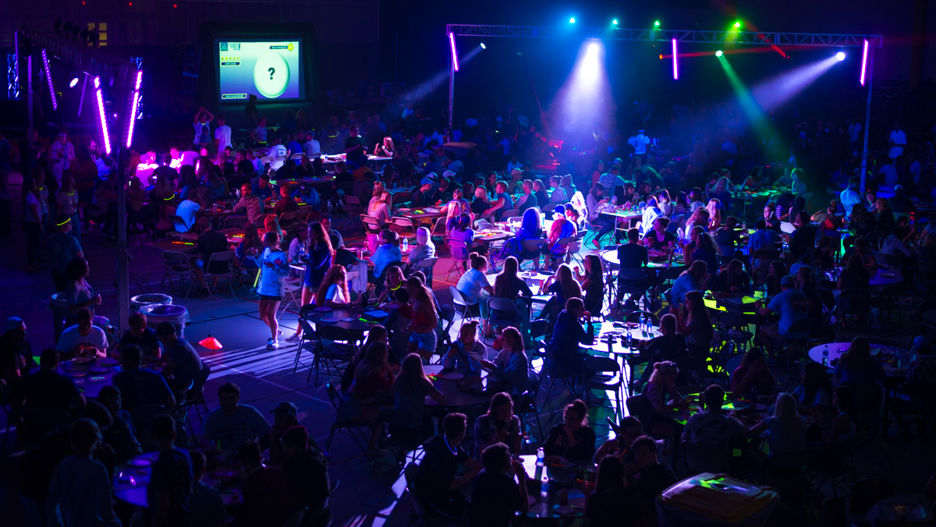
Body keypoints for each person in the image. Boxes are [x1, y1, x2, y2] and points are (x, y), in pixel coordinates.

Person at [45, 418, 120, 527]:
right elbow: (106, 509)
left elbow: (51, 502)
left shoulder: (63, 465)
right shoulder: (98, 469)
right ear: (96, 440)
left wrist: (57, 523)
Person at [413, 413, 480, 516]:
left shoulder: (448, 442)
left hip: (433, 488)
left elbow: (466, 460)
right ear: (461, 432)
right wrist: (471, 474)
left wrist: (481, 466)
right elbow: (449, 486)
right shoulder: (441, 455)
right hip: (432, 498)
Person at [681, 384, 745, 473]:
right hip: (718, 465)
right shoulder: (730, 422)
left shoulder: (695, 418)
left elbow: (684, 439)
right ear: (722, 401)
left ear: (705, 401)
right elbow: (744, 431)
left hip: (694, 463)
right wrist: (736, 417)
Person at [467, 442, 530, 527]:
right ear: (504, 463)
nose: (511, 460)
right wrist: (521, 478)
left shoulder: (481, 476)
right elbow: (524, 508)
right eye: (509, 457)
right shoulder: (506, 483)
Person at [383, 353, 445, 435]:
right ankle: (441, 437)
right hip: (414, 423)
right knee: (440, 410)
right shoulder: (423, 382)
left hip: (397, 422)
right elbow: (441, 400)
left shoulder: (398, 380)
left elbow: (391, 394)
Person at [149, 414, 194, 527]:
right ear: (174, 434)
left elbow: (163, 503)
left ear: (154, 438)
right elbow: (189, 488)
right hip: (184, 516)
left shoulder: (160, 465)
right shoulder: (184, 456)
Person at [281, 425, 331, 525]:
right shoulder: (315, 456)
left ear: (294, 446)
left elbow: (290, 496)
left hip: (307, 517)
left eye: (286, 446)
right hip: (322, 513)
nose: (283, 449)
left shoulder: (298, 467)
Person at [202, 382, 270, 451]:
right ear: (219, 399)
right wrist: (216, 448)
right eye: (223, 399)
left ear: (238, 398)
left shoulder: (250, 413)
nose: (227, 402)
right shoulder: (214, 417)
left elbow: (267, 434)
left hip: (246, 454)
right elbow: (205, 439)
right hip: (223, 456)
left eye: (231, 398)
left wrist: (254, 450)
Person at [112, 345, 176, 411]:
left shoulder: (120, 378)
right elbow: (172, 402)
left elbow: (114, 405)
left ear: (123, 360)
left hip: (131, 419)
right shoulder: (156, 376)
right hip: (154, 417)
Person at [156, 322, 207, 401]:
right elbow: (164, 358)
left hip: (189, 381)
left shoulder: (180, 347)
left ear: (169, 335)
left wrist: (153, 370)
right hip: (182, 376)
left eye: (161, 337)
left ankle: (173, 409)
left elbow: (168, 369)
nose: (160, 340)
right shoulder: (170, 343)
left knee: (160, 388)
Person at [746, 393, 807, 459]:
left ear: (778, 405)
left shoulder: (772, 421)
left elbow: (749, 433)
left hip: (777, 459)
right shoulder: (801, 421)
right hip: (797, 460)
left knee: (749, 449)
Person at [629, 435, 677, 517]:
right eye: (636, 454)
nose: (639, 457)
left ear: (654, 453)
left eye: (643, 453)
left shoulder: (662, 475)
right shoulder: (641, 473)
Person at [756, 275, 810, 346]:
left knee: (762, 329)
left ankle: (771, 355)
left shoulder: (781, 296)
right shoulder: (802, 294)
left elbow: (764, 313)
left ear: (781, 286)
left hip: (789, 333)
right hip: (805, 330)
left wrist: (759, 306)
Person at [258, 231, 289, 350]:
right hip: (264, 287)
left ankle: (274, 339)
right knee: (262, 315)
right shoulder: (265, 251)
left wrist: (274, 266)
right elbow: (261, 265)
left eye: (265, 239)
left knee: (271, 314)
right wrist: (256, 257)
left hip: (275, 288)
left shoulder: (281, 255)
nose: (263, 241)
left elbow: (285, 273)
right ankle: (276, 330)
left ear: (271, 241)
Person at [637, 314, 688, 385]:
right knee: (655, 357)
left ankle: (641, 382)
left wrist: (641, 345)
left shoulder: (661, 341)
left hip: (664, 369)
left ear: (662, 325)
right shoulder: (680, 337)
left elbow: (644, 355)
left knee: (653, 359)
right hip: (678, 368)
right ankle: (641, 381)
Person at [547, 297, 594, 375]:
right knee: (591, 363)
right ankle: (583, 385)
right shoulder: (573, 324)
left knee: (586, 356)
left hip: (554, 356)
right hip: (564, 361)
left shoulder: (562, 316)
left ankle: (576, 383)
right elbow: (588, 341)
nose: (584, 311)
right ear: (574, 310)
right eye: (582, 309)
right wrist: (589, 322)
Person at [481, 326, 530, 395]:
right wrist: (491, 366)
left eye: (504, 339)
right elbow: (497, 361)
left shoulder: (519, 357)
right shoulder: (505, 350)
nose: (501, 340)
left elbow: (509, 377)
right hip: (507, 385)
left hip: (516, 391)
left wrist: (493, 367)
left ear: (512, 340)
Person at [675, 290, 713, 375]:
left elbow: (683, 333)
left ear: (694, 303)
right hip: (693, 347)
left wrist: (677, 318)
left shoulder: (698, 318)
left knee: (674, 354)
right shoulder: (692, 314)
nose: (685, 303)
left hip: (698, 351)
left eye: (687, 301)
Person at [400, 277, 439, 359]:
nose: (408, 291)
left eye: (410, 289)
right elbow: (416, 318)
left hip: (427, 338)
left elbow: (434, 323)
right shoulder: (414, 300)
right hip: (416, 335)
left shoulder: (425, 302)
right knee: (408, 359)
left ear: (417, 288)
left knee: (417, 363)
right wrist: (409, 326)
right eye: (407, 288)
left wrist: (419, 330)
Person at [48, 215, 84, 291]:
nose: (72, 225)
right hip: (69, 273)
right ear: (63, 225)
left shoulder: (51, 239)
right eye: (70, 223)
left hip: (56, 272)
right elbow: (81, 257)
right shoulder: (72, 240)